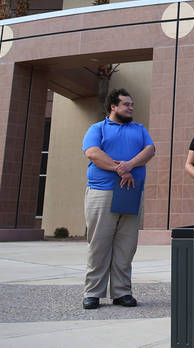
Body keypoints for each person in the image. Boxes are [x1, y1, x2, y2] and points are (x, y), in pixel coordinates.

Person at [81, 88, 156, 310]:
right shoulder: (98, 128)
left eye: (132, 104)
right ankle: (93, 292)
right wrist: (120, 169)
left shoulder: (139, 129)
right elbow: (92, 152)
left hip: (131, 193)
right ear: (113, 106)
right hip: (102, 192)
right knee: (99, 244)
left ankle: (122, 292)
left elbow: (150, 150)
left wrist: (130, 165)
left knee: (126, 245)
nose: (131, 107)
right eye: (126, 104)